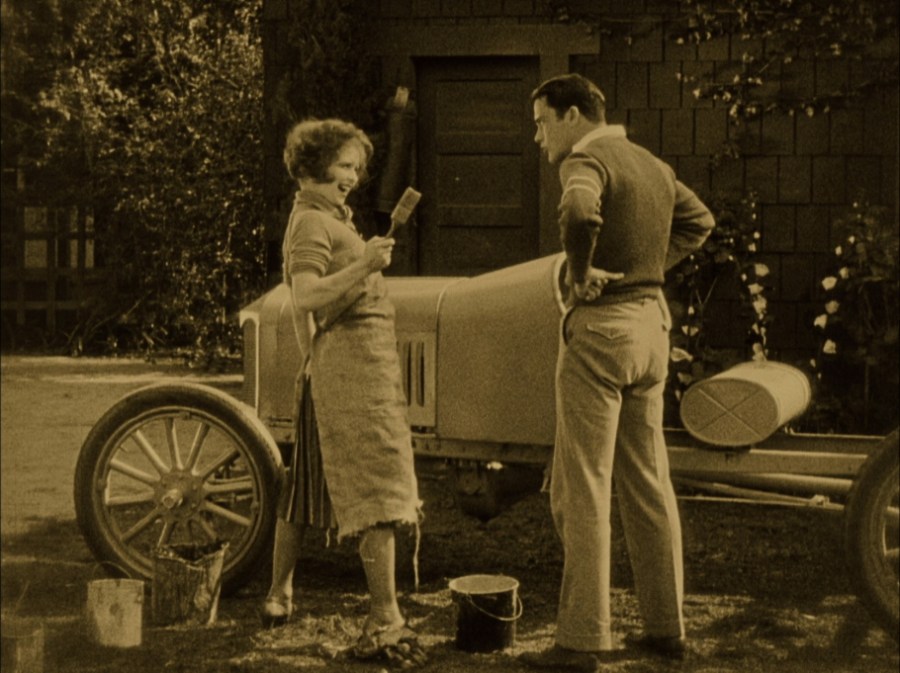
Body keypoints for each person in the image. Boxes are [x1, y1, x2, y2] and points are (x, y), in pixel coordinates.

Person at [521, 74, 715, 671]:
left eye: (542, 122)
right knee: (649, 482)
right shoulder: (652, 164)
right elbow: (699, 222)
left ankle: (583, 640)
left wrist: (581, 272)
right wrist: (647, 268)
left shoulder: (585, 160)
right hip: (652, 331)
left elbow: (580, 213)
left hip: (602, 333)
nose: (538, 137)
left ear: (573, 115)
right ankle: (666, 628)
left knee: (582, 488)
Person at [261, 118, 426, 669]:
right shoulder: (310, 222)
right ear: (313, 168)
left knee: (305, 483)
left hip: (348, 366)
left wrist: (312, 358)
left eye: (357, 168)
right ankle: (385, 614)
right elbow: (305, 296)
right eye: (344, 166)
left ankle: (279, 591)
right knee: (375, 484)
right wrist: (365, 264)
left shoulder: (330, 217)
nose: (353, 176)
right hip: (350, 372)